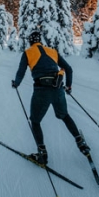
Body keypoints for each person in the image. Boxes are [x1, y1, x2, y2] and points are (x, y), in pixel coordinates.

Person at [11, 31, 90, 165]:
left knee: (35, 121)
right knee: (64, 116)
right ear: (40, 40)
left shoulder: (28, 52)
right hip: (58, 88)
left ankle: (42, 154)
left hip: (41, 90)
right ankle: (81, 143)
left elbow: (21, 71)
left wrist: (16, 83)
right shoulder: (52, 51)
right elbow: (69, 69)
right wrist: (69, 87)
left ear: (30, 41)